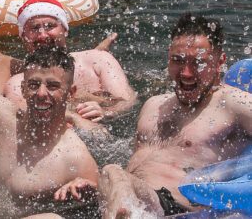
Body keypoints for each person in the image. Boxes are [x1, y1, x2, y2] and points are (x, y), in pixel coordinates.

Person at [98, 13, 252, 217]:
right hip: (131, 202)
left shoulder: (233, 103)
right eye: (177, 60)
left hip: (176, 208)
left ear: (219, 61)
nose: (186, 73)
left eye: (198, 63)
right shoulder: (154, 105)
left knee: (112, 172)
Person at [0, 48, 99, 217]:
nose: (41, 94)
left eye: (52, 86)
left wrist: (91, 192)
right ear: (23, 88)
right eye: (33, 85)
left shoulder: (77, 159)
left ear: (70, 93)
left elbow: (98, 206)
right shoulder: (3, 116)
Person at [0, 0, 137, 126]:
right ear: (23, 37)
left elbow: (128, 101)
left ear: (65, 29)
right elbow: (35, 122)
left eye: (50, 26)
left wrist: (106, 111)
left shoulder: (98, 60)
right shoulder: (17, 84)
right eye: (33, 28)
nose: (42, 35)